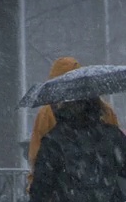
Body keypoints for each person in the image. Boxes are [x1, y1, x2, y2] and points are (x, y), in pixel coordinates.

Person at [27, 56, 119, 188]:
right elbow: (117, 147)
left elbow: (36, 156)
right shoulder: (104, 109)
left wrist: (34, 186)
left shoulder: (47, 113)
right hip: (101, 187)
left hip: (62, 189)